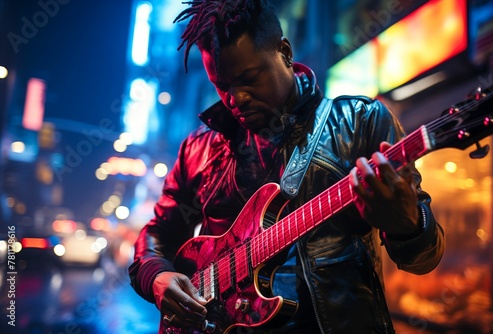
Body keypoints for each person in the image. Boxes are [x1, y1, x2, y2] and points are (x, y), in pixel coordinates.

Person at [128, 1, 445, 333]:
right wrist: (157, 276)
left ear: (285, 52)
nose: (236, 98)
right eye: (221, 85)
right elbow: (158, 234)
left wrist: (407, 225)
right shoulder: (198, 150)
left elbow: (424, 258)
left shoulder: (359, 123)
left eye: (249, 78)